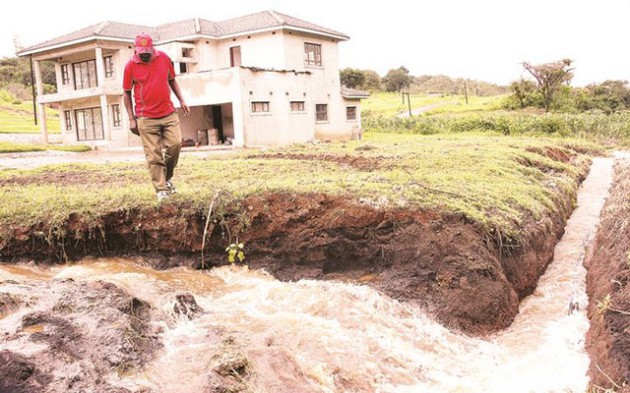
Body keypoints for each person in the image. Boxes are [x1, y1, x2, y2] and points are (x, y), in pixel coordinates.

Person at [123, 33, 190, 202]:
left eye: (147, 51)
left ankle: (166, 178)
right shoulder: (130, 66)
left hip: (168, 113)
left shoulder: (164, 58)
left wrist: (182, 100)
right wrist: (132, 118)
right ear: (136, 49)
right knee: (154, 155)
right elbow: (126, 93)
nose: (145, 54)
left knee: (175, 145)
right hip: (145, 118)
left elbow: (172, 80)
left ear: (153, 48)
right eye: (141, 51)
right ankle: (161, 189)